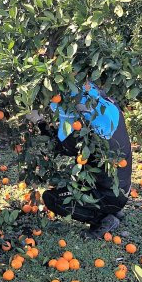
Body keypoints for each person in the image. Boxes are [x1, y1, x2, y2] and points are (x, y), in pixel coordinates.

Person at [38, 83, 132, 238]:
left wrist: (39, 122)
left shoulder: (87, 134)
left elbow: (61, 147)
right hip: (121, 189)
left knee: (52, 198)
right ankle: (113, 208)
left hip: (108, 194)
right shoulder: (106, 105)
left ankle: (103, 219)